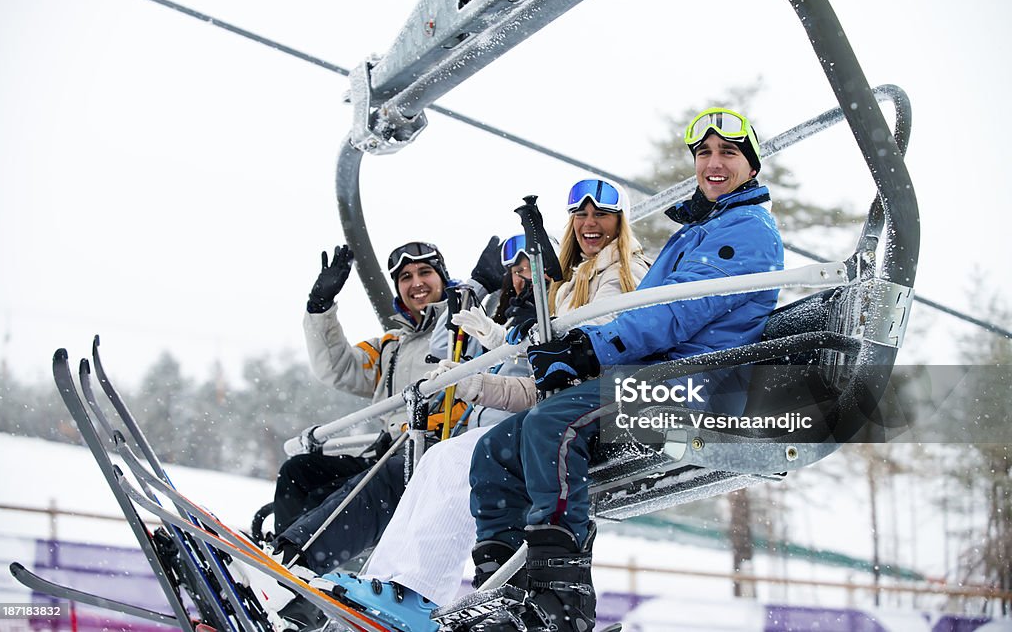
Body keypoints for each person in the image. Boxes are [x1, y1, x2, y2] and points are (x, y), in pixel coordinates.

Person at [465, 108, 785, 632]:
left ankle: (561, 595)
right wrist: (571, 348)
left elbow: (678, 312)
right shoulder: (703, 229)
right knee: (496, 448)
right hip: (657, 374)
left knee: (553, 425)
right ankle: (501, 584)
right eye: (704, 153)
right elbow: (652, 312)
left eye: (728, 153)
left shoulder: (745, 231)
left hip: (693, 384)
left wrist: (592, 350)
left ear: (750, 165)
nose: (714, 163)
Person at [310, 179, 650, 629]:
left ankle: (417, 592)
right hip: (551, 409)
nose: (590, 224)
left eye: (601, 215)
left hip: (593, 411)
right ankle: (384, 582)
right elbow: (543, 381)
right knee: (438, 460)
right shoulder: (572, 286)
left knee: (457, 463)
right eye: (581, 216)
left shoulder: (622, 272)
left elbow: (588, 352)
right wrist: (480, 375)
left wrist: (513, 346)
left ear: (619, 222)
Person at [269, 238, 506, 556]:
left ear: (442, 278)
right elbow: (337, 368)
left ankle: (303, 556)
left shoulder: (467, 326)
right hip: (389, 449)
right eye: (406, 277)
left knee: (370, 484)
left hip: (433, 449)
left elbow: (489, 342)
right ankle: (284, 557)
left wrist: (473, 291)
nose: (417, 283)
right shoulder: (391, 347)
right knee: (300, 472)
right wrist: (320, 308)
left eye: (425, 272)